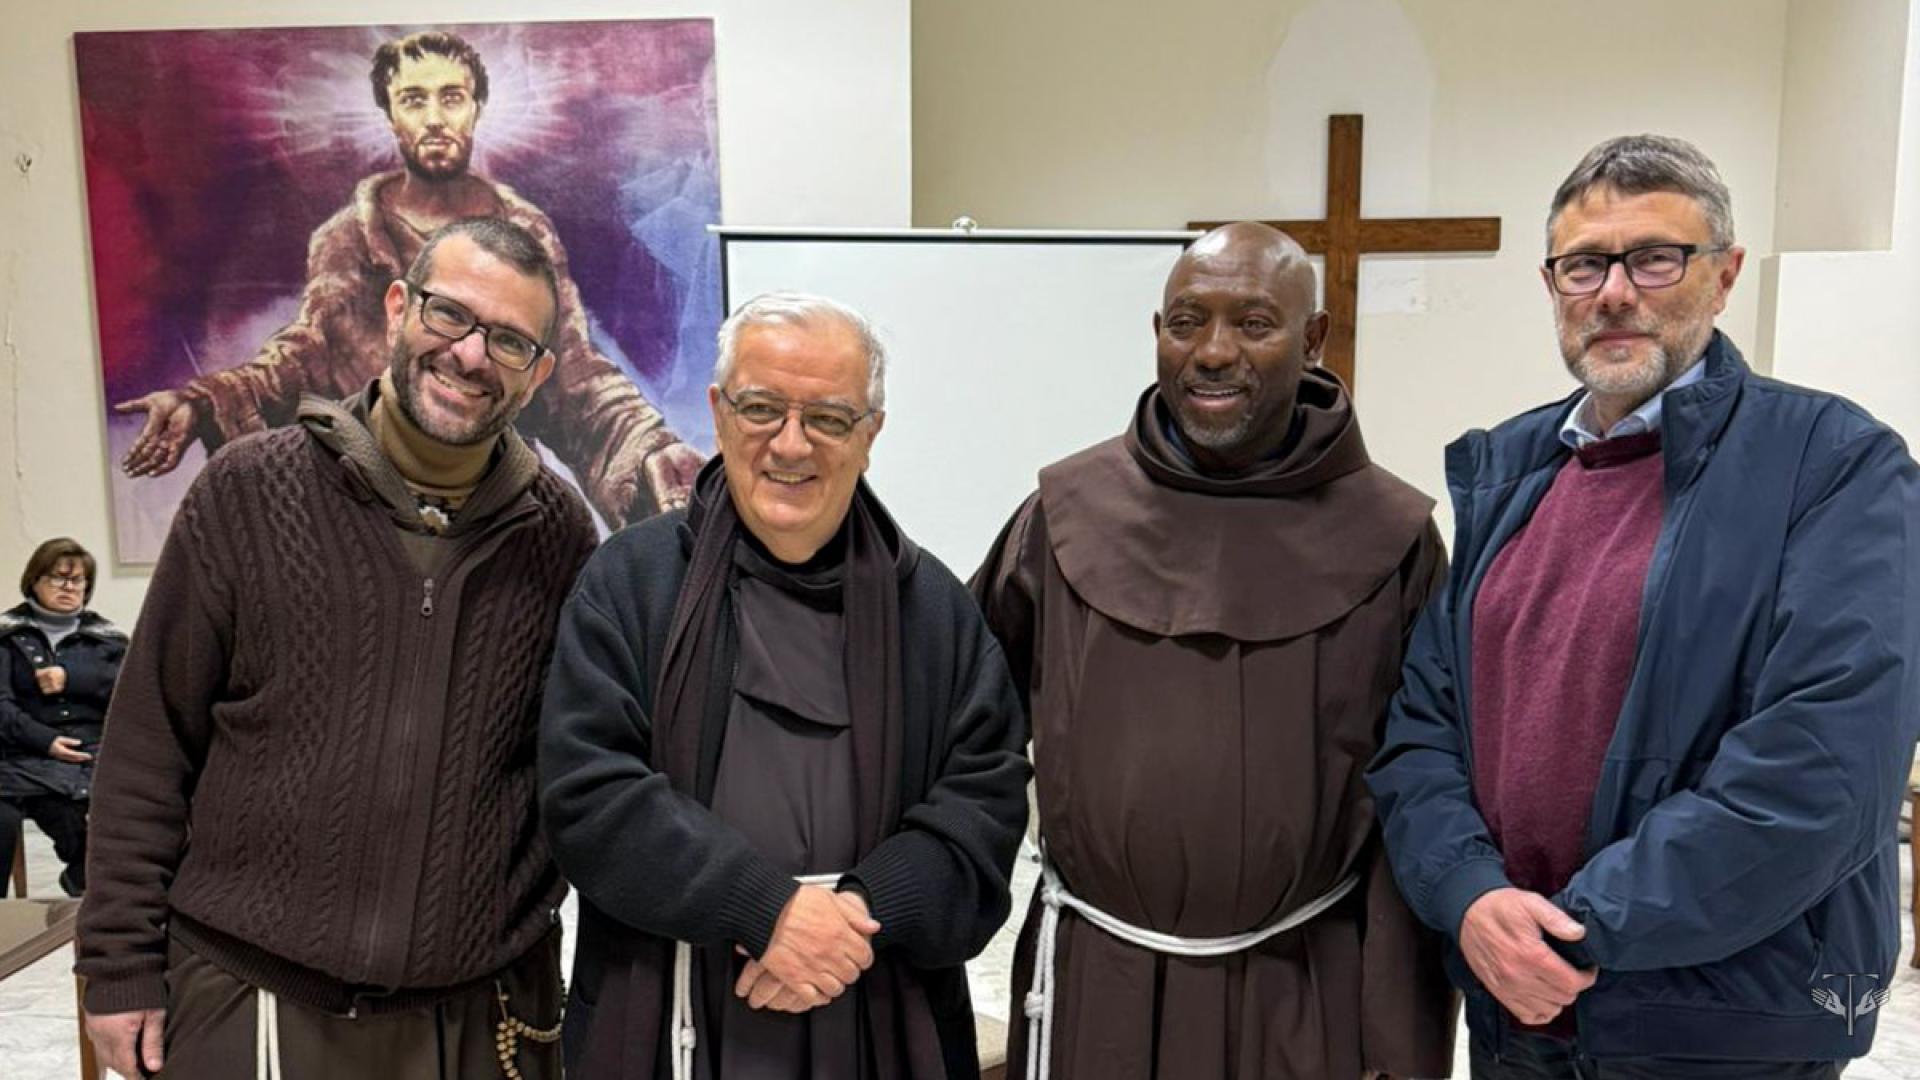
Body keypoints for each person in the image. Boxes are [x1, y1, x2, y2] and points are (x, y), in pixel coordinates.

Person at [1368, 134, 1920, 1078]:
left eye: (1656, 258)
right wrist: (1468, 893)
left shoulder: (1832, 465)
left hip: (1721, 1024)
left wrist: (1579, 932)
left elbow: (1824, 766)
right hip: (1517, 1018)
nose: (1615, 292)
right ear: (1552, 286)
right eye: (1585, 264)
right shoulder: (1510, 475)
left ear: (1725, 275)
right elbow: (1424, 728)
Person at [77, 218, 600, 1080]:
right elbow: (148, 744)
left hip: (479, 1016)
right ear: (398, 307)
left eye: (509, 341)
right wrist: (118, 960)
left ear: (539, 371)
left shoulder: (560, 535)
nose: (471, 355)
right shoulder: (247, 492)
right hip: (250, 1000)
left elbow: (570, 770)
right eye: (449, 314)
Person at [971, 221, 1455, 1080]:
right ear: (1157, 333)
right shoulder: (1062, 515)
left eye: (1255, 323)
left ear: (1313, 339)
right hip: (1101, 979)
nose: (1214, 352)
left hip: (1301, 988)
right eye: (1187, 322)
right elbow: (968, 731)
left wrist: (1396, 1032)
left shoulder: (1393, 540)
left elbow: (1422, 783)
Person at [539, 291, 1030, 1078]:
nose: (791, 444)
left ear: (870, 434)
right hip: (674, 1009)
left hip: (876, 999)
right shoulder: (629, 583)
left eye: (828, 418)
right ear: (718, 412)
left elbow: (986, 803)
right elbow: (589, 794)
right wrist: (762, 908)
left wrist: (858, 914)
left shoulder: (935, 610)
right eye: (762, 408)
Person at [114, 29, 704, 525]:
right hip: (364, 511)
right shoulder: (349, 238)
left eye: (452, 97)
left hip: (495, 517)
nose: (435, 119)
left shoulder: (526, 234)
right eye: (414, 100)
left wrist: (649, 447)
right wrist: (207, 399)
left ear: (477, 108)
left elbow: (574, 375)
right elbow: (303, 355)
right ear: (391, 116)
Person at [0, 538, 125, 896]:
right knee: (63, 809)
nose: (69, 587)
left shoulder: (109, 639)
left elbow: (132, 690)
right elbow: (2, 706)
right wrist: (47, 741)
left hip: (98, 751)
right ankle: (88, 883)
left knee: (135, 810)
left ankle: (96, 887)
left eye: (78, 580)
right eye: (58, 578)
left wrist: (72, 677)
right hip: (28, 752)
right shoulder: (7, 636)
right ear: (34, 582)